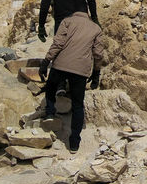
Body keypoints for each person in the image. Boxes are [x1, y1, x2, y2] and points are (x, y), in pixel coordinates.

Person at [39, 11, 105, 152]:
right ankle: (74, 142)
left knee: (50, 87)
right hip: (80, 71)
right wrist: (96, 73)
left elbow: (58, 43)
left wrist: (46, 62)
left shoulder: (67, 21)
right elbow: (98, 53)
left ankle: (50, 112)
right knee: (77, 105)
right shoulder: (96, 28)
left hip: (60, 65)